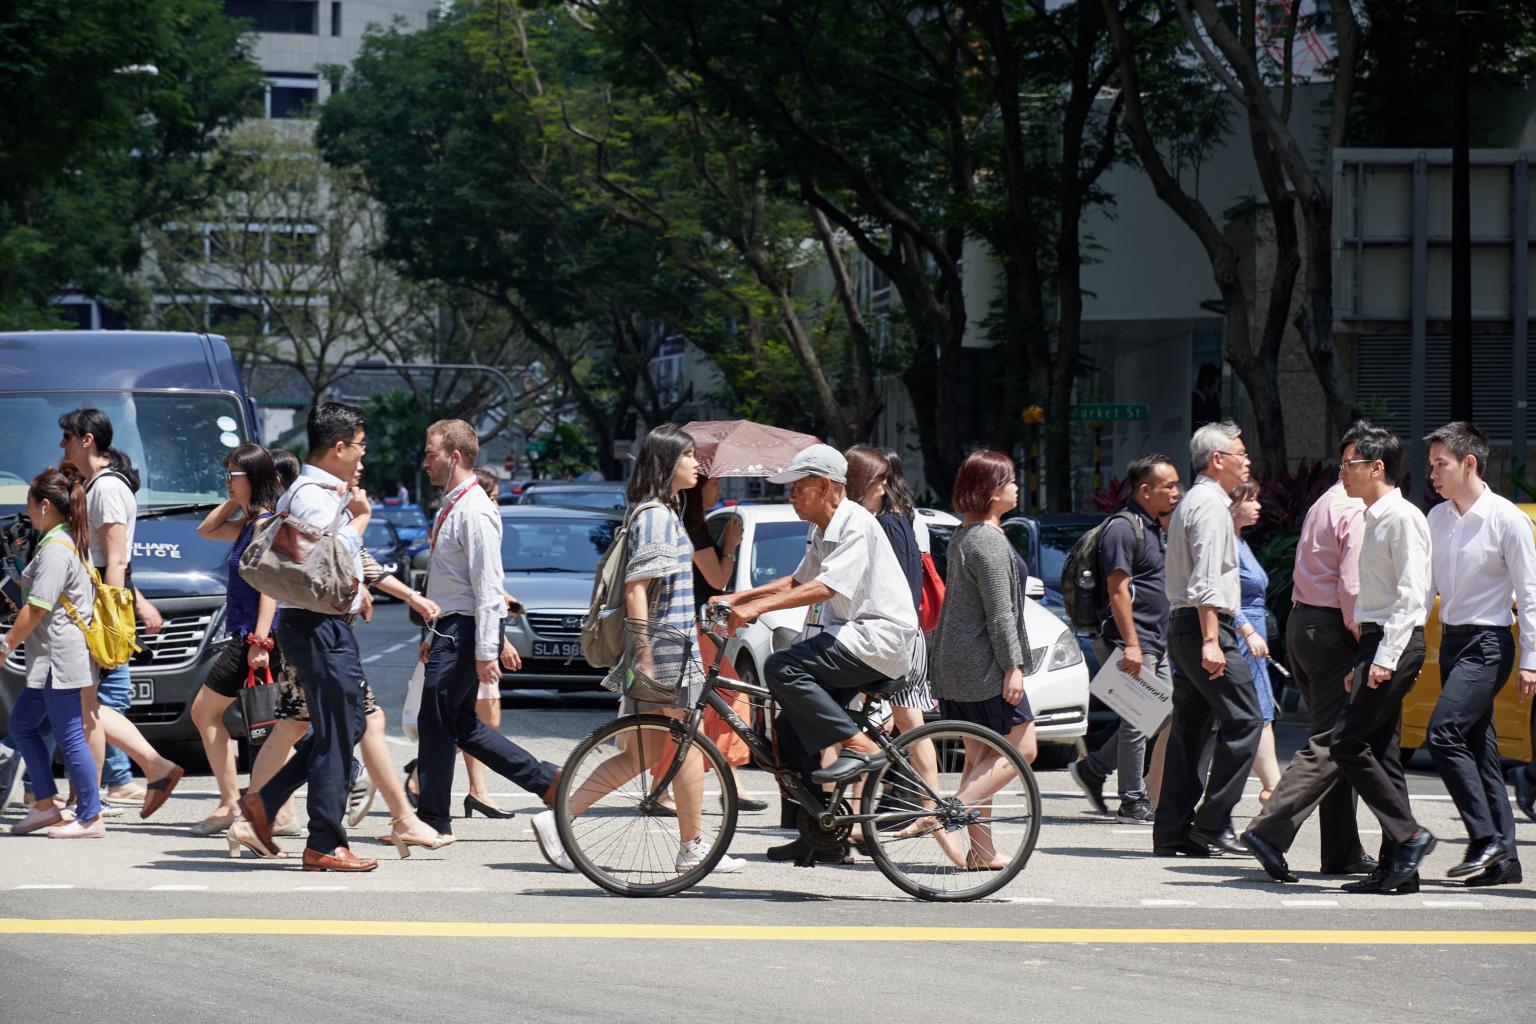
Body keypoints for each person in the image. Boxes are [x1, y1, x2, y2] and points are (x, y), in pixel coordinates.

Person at [532, 424, 746, 875]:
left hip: (665, 646)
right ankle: (693, 848)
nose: (697, 465)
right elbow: (636, 588)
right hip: (666, 650)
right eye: (689, 456)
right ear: (667, 463)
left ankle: (558, 820)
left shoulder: (661, 512)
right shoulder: (656, 517)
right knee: (689, 745)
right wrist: (646, 653)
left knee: (642, 755)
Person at [235, 403, 378, 872]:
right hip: (319, 626)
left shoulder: (308, 492)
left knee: (346, 727)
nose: (362, 455)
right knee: (338, 733)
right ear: (338, 447)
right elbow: (323, 565)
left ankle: (265, 801)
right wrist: (360, 520)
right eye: (358, 446)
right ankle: (324, 843)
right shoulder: (314, 497)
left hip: (315, 626)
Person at [415, 421, 562, 848]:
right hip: (450, 627)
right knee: (457, 723)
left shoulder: (475, 509)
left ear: (454, 457)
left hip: (464, 629)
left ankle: (433, 821)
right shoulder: (453, 504)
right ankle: (546, 780)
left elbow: (487, 586)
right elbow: (449, 581)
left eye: (430, 454)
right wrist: (431, 633)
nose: (424, 463)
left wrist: (486, 651)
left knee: (436, 722)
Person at [1240, 465, 1373, 884]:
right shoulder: (1353, 508)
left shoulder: (1325, 501)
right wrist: (1365, 640)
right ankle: (1268, 829)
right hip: (1334, 628)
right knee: (1335, 738)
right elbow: (1351, 586)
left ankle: (1342, 851)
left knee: (1339, 740)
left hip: (1304, 624)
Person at [57, 408, 183, 817]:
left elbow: (115, 559)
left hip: (97, 602)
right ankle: (146, 771)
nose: (63, 445)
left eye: (68, 437)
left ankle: (90, 802)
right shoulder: (96, 484)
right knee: (86, 704)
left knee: (85, 704)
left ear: (87, 440)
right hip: (92, 598)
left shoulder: (108, 488)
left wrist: (107, 617)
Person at [1423, 421, 1534, 887]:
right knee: (1479, 750)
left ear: (1469, 463)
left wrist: (1530, 660)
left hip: (1489, 644)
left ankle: (1484, 837)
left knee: (1443, 733)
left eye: (1440, 464)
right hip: (1452, 642)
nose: (1433, 474)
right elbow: (1424, 589)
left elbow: (1530, 594)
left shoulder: (1508, 519)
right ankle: (1506, 861)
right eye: (1431, 465)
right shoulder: (1437, 518)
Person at [1332, 422, 1435, 895]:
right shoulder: (1373, 517)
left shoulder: (1403, 518)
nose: (1341, 473)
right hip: (1376, 641)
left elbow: (1413, 595)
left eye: (1348, 464)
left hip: (1395, 640)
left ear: (1376, 467)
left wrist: (1384, 657)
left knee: (1347, 743)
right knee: (1384, 752)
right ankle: (1399, 867)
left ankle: (1410, 836)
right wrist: (1366, 657)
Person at [1155, 420, 1261, 858]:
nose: (1247, 461)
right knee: (1246, 720)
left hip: (1187, 623)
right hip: (1203, 624)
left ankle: (1172, 830)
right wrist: (1212, 640)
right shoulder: (1212, 505)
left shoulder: (1196, 501)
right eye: (1241, 454)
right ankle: (1213, 823)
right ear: (1218, 460)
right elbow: (1207, 580)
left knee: (1191, 729)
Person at [931, 449, 1039, 870]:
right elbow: (1000, 613)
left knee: (980, 759)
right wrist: (1013, 666)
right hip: (981, 664)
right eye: (1010, 480)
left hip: (956, 659)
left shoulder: (966, 532)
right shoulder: (989, 541)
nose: (1016, 487)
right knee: (1021, 748)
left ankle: (981, 851)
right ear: (993, 492)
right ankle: (949, 811)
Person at [1069, 454, 1180, 826]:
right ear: (1145, 490)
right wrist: (1131, 643)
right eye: (1169, 486)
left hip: (1155, 641)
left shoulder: (1153, 527)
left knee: (1162, 713)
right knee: (1137, 719)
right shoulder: (1122, 528)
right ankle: (1131, 801)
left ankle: (1094, 768)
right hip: (1131, 641)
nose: (1176, 492)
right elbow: (1118, 590)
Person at [187, 444, 284, 835]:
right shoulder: (250, 523)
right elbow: (205, 530)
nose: (227, 481)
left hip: (254, 638)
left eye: (233, 475)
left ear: (254, 477)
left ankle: (232, 803)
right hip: (249, 635)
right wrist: (235, 499)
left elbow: (269, 586)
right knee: (277, 726)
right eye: (226, 474)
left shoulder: (265, 525)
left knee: (206, 712)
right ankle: (273, 810)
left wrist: (260, 643)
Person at [3, 468, 105, 838]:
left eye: (29, 506)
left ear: (44, 505)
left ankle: (91, 816)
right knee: (22, 725)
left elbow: (37, 608)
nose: (27, 514)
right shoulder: (61, 542)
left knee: (70, 735)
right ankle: (45, 805)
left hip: (59, 656)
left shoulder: (57, 549)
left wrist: (5, 646)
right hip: (51, 657)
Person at [679, 468, 765, 812]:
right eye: (714, 483)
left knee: (711, 707)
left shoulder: (696, 527)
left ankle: (732, 784)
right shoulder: (692, 531)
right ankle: (678, 787)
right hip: (693, 632)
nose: (719, 489)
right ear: (698, 489)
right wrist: (730, 545)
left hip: (700, 631)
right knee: (723, 702)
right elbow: (718, 580)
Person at [1230, 478, 1282, 802]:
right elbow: (1222, 595)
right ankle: (1272, 786)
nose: (1257, 506)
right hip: (1241, 639)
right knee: (1255, 711)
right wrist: (1246, 630)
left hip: (1253, 638)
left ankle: (1273, 786)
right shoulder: (1226, 543)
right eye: (1250, 499)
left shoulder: (1240, 541)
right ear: (1232, 504)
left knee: (1261, 710)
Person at [1191, 363, 1222, 431]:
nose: (1216, 391)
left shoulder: (1205, 401)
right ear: (1206, 385)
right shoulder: (1197, 404)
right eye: (1215, 386)